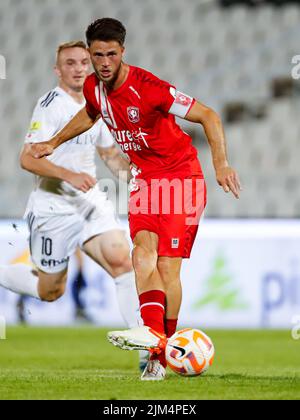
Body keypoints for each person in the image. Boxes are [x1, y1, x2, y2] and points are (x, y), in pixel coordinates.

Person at [29, 19, 242, 381]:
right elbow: (90, 113)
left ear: (122, 52)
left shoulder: (150, 88)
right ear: (91, 53)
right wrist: (53, 142)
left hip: (181, 178)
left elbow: (208, 115)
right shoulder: (95, 85)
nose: (104, 62)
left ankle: (167, 343)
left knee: (167, 269)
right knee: (140, 257)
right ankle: (157, 353)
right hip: (144, 180)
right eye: (97, 55)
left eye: (111, 54)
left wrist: (220, 164)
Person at [0, 40, 148, 371]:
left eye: (84, 62)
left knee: (123, 262)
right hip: (53, 206)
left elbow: (109, 153)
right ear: (58, 70)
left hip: (89, 200)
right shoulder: (50, 105)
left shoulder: (101, 102)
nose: (79, 68)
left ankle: (144, 350)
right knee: (50, 290)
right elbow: (27, 158)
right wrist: (68, 174)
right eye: (70, 63)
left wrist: (135, 180)